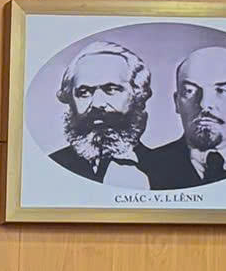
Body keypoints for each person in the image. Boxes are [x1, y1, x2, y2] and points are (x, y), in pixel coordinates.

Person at [140, 45, 226, 188]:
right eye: (190, 91)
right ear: (177, 103)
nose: (204, 104)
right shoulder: (145, 168)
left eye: (221, 90)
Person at [45, 42, 153, 187]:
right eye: (84, 93)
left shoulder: (168, 169)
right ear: (70, 99)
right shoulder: (50, 169)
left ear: (137, 95)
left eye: (111, 89)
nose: (97, 103)